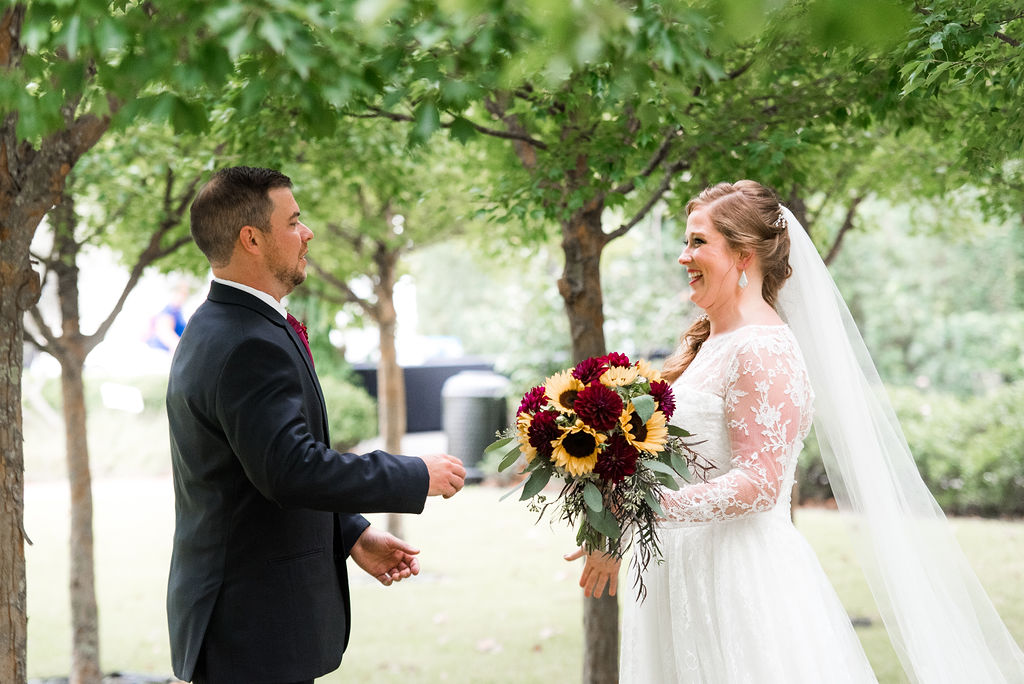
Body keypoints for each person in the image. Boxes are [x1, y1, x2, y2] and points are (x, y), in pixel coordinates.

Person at [566, 180, 1024, 682]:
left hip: (736, 578)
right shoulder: (711, 344)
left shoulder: (762, 348)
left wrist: (637, 509)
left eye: (699, 242)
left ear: (743, 255)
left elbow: (759, 485)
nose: (684, 256)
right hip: (677, 572)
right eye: (685, 241)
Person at [165, 166, 467, 684]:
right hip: (251, 629)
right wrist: (414, 474)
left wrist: (349, 533)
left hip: (250, 622)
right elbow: (289, 468)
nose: (308, 233)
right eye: (294, 221)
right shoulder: (246, 341)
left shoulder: (227, 323)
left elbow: (257, 466)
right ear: (252, 239)